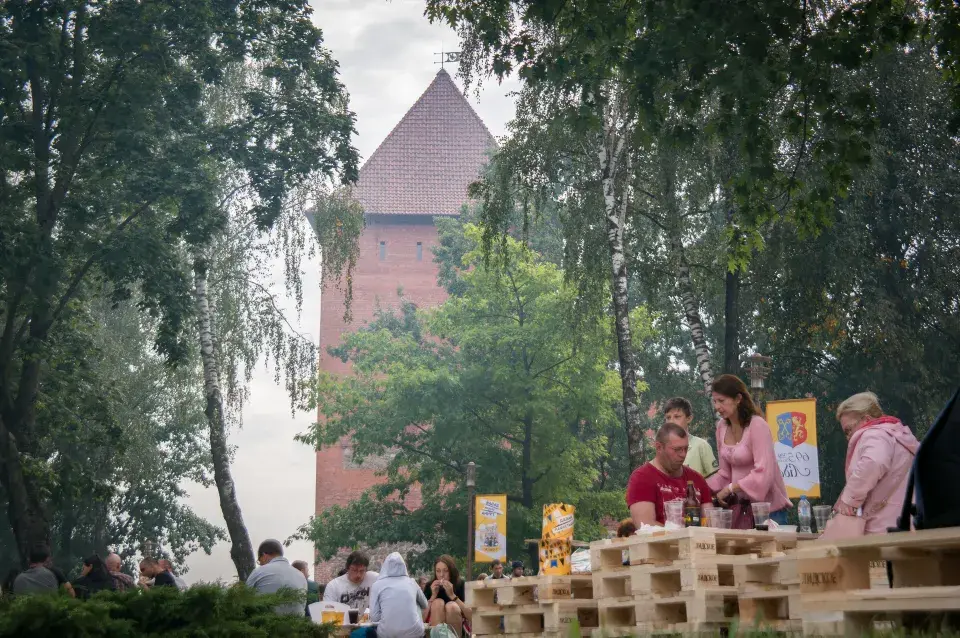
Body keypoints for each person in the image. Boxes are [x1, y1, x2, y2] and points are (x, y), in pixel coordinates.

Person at [706, 375, 792, 525]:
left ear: (738, 399)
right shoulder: (721, 427)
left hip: (770, 512)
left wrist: (730, 488)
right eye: (714, 401)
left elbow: (764, 473)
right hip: (742, 511)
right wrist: (700, 486)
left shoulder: (757, 425)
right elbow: (724, 474)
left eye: (721, 401)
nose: (717, 407)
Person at [833, 392, 919, 534]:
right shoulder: (899, 436)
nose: (848, 437)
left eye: (849, 430)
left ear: (866, 419)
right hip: (906, 522)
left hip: (883, 527)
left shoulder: (874, 434)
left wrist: (849, 501)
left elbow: (873, 462)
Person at [626, 423, 712, 526]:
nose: (683, 454)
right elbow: (645, 526)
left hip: (696, 540)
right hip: (661, 542)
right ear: (659, 447)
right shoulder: (642, 477)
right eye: (677, 449)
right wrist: (682, 532)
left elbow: (711, 522)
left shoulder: (697, 479)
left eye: (686, 449)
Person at [369, 552, 428, 638]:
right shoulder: (411, 582)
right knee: (416, 602)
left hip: (387, 634)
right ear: (404, 566)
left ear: (385, 567)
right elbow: (425, 604)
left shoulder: (377, 585)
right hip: (415, 634)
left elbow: (374, 617)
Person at [245, 539, 308, 616]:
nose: (260, 564)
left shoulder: (258, 572)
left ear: (264, 555)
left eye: (259, 561)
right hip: (297, 625)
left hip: (265, 625)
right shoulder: (301, 576)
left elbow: (244, 601)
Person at [664, 397, 719, 478]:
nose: (671, 421)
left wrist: (699, 488)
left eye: (677, 417)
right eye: (668, 418)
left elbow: (715, 478)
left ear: (689, 418)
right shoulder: (665, 450)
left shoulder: (701, 445)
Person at [423, 555, 471, 638]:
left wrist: (453, 596)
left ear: (451, 571)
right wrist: (432, 597)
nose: (441, 575)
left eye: (446, 571)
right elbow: (421, 619)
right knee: (437, 603)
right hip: (433, 628)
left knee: (451, 606)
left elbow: (471, 616)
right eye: (438, 571)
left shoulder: (460, 584)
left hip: (458, 627)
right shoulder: (429, 586)